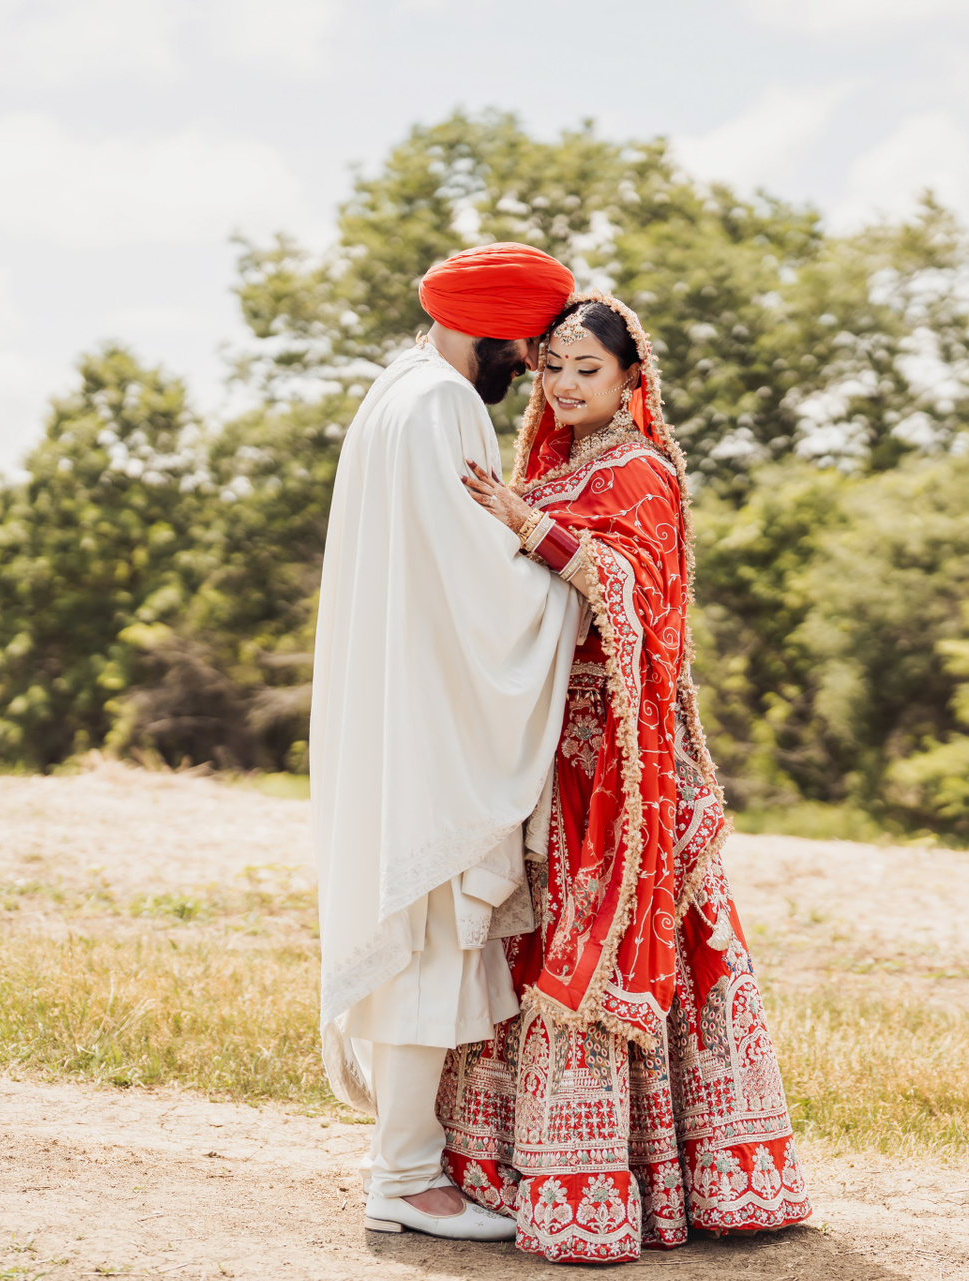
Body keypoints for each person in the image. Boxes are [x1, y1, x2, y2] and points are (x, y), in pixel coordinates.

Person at [451, 293, 814, 1263]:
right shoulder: (549, 468)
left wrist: (532, 527)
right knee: (539, 936)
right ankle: (518, 1172)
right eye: (553, 368)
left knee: (636, 940)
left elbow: (635, 595)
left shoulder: (639, 469)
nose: (566, 386)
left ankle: (674, 1182)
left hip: (626, 754)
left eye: (587, 370)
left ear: (629, 380)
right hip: (548, 745)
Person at [310, 241, 578, 1241]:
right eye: (532, 344)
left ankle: (408, 1166)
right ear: (497, 329)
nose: (536, 366)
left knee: (417, 934)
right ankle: (405, 1180)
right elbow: (479, 573)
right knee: (425, 936)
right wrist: (576, 573)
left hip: (400, 697)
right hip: (429, 711)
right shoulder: (444, 405)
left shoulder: (396, 391)